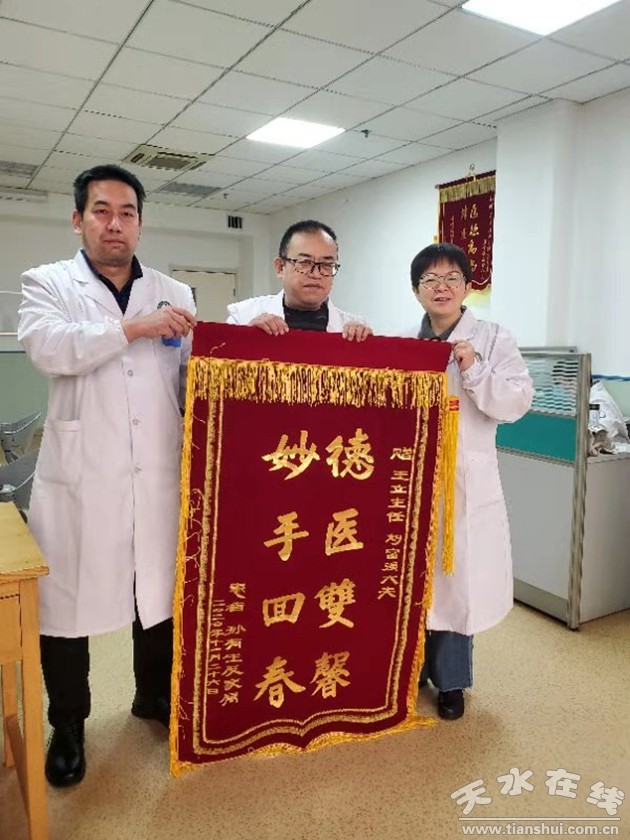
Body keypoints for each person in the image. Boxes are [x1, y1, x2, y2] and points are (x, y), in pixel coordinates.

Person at [17, 164, 196, 787]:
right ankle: (67, 725)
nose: (114, 223)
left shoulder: (175, 290)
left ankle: (153, 696)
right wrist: (132, 328)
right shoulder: (47, 283)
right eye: (101, 211)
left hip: (157, 473)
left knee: (157, 596)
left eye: (127, 213)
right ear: (78, 220)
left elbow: (191, 375)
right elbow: (49, 349)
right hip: (81, 478)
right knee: (66, 609)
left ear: (140, 224)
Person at [408, 243, 533, 720]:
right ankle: (410, 669)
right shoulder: (404, 341)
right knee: (411, 580)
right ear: (417, 290)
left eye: (451, 278)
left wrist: (474, 368)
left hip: (463, 482)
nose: (441, 287)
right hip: (410, 480)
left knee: (456, 583)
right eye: (430, 280)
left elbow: (516, 403)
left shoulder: (494, 339)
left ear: (467, 286)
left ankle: (452, 682)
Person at [227, 219, 372, 340]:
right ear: (280, 267)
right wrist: (247, 337)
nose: (316, 274)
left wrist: (368, 348)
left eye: (327, 265)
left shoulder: (354, 329)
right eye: (305, 262)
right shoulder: (243, 317)